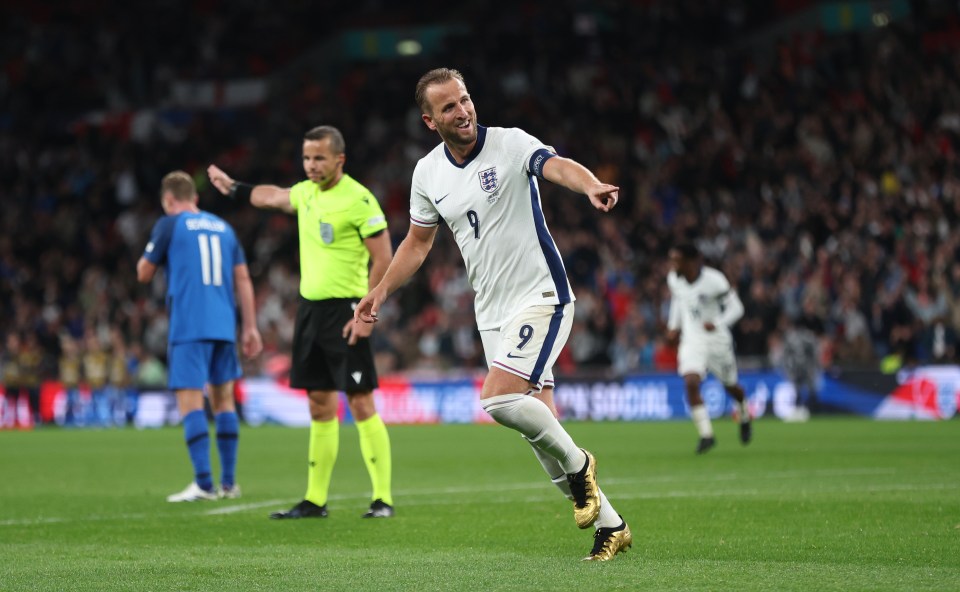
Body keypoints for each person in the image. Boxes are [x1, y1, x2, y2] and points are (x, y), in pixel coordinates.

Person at [354, 68, 631, 561]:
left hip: (541, 295)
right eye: (448, 108)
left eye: (464, 100)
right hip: (491, 313)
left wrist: (588, 185)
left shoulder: (509, 143)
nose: (462, 112)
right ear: (429, 120)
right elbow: (417, 244)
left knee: (499, 400)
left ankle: (582, 464)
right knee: (540, 432)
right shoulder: (428, 173)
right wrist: (381, 291)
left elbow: (557, 165)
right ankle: (611, 526)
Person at [207, 125, 395, 520]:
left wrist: (367, 313)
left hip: (348, 310)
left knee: (360, 402)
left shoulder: (360, 200)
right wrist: (234, 188)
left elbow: (384, 259)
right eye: (307, 158)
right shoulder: (305, 193)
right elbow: (272, 196)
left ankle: (382, 499)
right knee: (319, 404)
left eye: (319, 158)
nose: (310, 165)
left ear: (339, 160)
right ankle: (315, 500)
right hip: (311, 313)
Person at [137, 171, 262, 502]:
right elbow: (244, 280)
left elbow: (143, 273)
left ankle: (204, 484)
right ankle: (230, 483)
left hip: (189, 325)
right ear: (195, 197)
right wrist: (249, 326)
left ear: (168, 200)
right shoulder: (224, 228)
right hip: (224, 326)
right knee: (224, 402)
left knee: (190, 402)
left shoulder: (169, 223)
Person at [666, 242, 752, 454]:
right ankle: (707, 435)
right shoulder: (673, 279)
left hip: (717, 340)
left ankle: (744, 414)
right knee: (691, 382)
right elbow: (680, 301)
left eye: (677, 260)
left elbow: (737, 308)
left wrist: (718, 323)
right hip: (692, 340)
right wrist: (673, 326)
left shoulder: (715, 280)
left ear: (690, 261)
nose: (673, 264)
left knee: (732, 387)